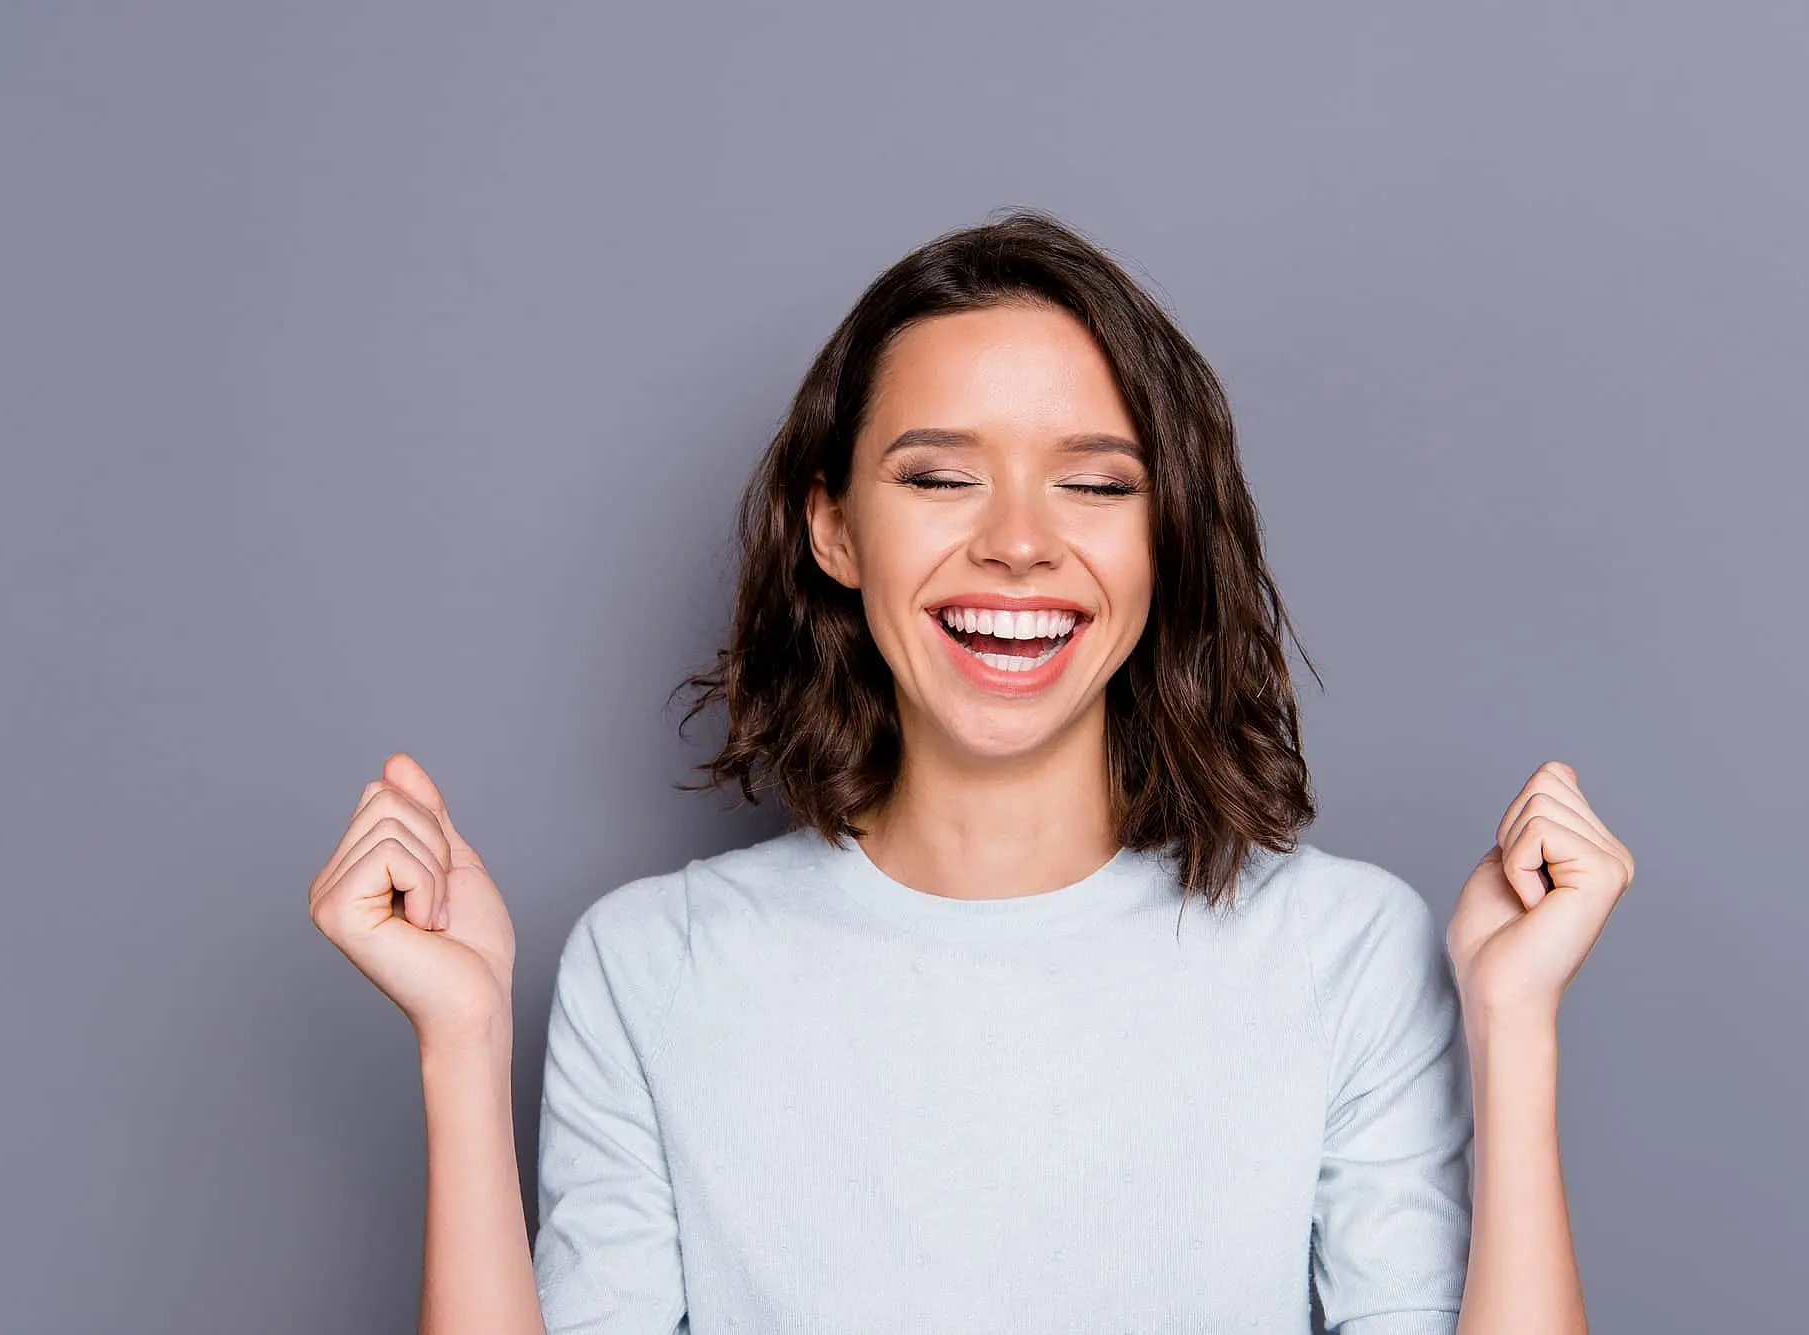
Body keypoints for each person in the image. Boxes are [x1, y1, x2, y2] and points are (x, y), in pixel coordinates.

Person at [309, 210, 1636, 1334]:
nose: (1017, 544)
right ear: (833, 526)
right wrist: (462, 1042)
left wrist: (1513, 1027)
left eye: (1098, 487)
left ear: (1166, 539)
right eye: (940, 476)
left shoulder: (1344, 952)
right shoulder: (652, 968)